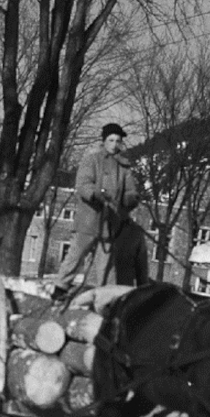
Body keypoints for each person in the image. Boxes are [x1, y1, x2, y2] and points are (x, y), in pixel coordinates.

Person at [51, 123, 141, 302]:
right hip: (89, 219)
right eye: (111, 140)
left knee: (105, 264)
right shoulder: (91, 160)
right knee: (76, 254)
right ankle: (60, 288)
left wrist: (128, 200)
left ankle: (105, 297)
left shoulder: (124, 168)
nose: (115, 144)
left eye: (118, 141)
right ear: (104, 140)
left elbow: (131, 192)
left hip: (110, 223)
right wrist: (96, 195)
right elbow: (83, 184)